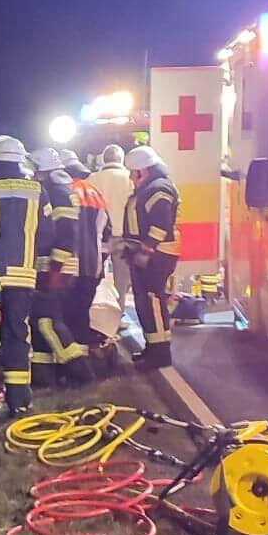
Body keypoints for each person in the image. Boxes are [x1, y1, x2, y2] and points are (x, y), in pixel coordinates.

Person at [0, 134, 40, 414]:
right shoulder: (38, 190)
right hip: (23, 276)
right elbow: (49, 232)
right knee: (17, 335)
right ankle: (19, 401)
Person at [30, 147, 88, 383]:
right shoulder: (60, 189)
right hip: (56, 265)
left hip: (57, 266)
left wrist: (55, 266)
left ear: (42, 170)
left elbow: (66, 233)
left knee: (47, 320)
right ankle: (44, 376)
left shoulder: (57, 192)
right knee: (40, 319)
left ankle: (80, 369)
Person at [121, 144, 181, 367]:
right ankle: (152, 347)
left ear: (142, 171)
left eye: (132, 172)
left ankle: (160, 354)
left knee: (153, 300)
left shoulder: (158, 189)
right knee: (145, 301)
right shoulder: (150, 187)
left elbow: (160, 223)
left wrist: (147, 248)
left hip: (158, 254)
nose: (130, 176)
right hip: (150, 252)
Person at [61, 153, 110, 350]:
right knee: (82, 311)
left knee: (64, 313)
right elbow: (106, 230)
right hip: (92, 262)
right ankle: (84, 348)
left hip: (66, 263)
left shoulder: (61, 192)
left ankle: (68, 351)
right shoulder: (94, 192)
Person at [90, 143, 133, 320]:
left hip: (99, 236)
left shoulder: (93, 178)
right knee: (121, 282)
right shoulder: (129, 178)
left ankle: (96, 317)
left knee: (94, 278)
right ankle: (118, 315)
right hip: (123, 236)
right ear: (121, 159)